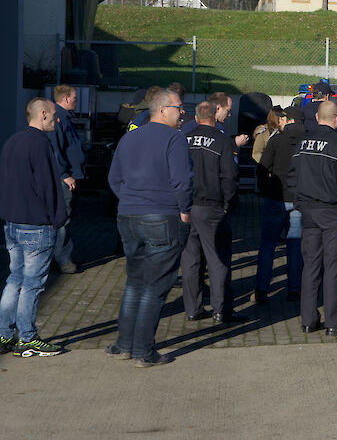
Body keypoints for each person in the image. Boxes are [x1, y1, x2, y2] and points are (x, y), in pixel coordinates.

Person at [107, 88, 193, 366]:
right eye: (179, 107)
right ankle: (143, 351)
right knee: (155, 288)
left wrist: (132, 200)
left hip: (129, 216)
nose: (183, 113)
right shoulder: (175, 138)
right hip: (161, 216)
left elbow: (114, 178)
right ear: (162, 109)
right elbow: (182, 180)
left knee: (135, 283)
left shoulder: (129, 138)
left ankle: (124, 345)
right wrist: (184, 211)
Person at [0, 98, 66, 358]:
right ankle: (27, 337)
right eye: (55, 115)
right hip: (36, 225)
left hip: (12, 223)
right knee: (32, 284)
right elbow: (49, 187)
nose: (58, 120)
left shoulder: (12, 141)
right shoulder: (40, 144)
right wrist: (58, 218)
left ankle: (4, 333)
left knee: (15, 279)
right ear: (43, 114)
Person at [288, 100, 337, 336]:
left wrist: (300, 203)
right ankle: (334, 322)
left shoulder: (302, 144)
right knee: (335, 269)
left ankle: (308, 320)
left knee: (310, 267)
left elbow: (291, 177)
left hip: (308, 212)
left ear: (317, 118)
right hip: (334, 213)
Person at [181, 100, 248, 324]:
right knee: (217, 259)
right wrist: (228, 204)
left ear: (197, 117)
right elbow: (230, 176)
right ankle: (221, 309)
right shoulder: (222, 141)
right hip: (212, 206)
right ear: (214, 114)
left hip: (186, 207)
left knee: (191, 260)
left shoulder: (183, 139)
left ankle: (192, 308)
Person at [254, 106, 305, 304]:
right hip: (298, 199)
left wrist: (265, 189)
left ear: (289, 120)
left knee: (268, 245)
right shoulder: (308, 141)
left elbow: (262, 167)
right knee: (295, 246)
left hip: (275, 198)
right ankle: (294, 289)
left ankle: (262, 289)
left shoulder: (277, 140)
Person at [48, 84, 84, 275]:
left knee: (65, 218)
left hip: (70, 176)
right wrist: (64, 174)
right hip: (65, 179)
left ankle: (62, 256)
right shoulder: (59, 118)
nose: (76, 101)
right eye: (75, 98)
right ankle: (62, 259)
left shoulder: (64, 118)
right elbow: (55, 150)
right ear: (67, 98)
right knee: (63, 219)